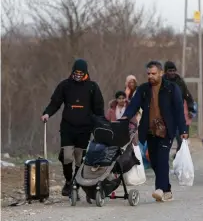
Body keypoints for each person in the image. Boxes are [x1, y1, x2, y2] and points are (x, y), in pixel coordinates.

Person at [120, 60, 187, 202]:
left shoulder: (171, 88)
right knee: (155, 161)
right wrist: (125, 117)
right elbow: (134, 105)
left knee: (162, 159)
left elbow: (179, 110)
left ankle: (160, 189)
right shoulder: (143, 89)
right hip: (150, 130)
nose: (150, 76)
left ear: (161, 73)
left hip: (166, 130)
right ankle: (167, 190)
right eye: (148, 74)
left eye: (153, 73)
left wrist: (183, 129)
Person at [40, 59, 104, 197]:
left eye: (81, 73)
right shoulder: (65, 85)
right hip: (68, 127)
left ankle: (75, 183)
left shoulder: (92, 87)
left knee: (80, 158)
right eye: (76, 72)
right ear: (72, 71)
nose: (78, 75)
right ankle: (69, 181)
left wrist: (101, 124)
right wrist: (47, 113)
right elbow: (55, 102)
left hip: (85, 128)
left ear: (86, 73)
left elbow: (98, 108)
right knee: (67, 156)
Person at [163, 61, 195, 155]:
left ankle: (177, 157)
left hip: (178, 114)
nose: (172, 73)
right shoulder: (161, 82)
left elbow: (187, 96)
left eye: (173, 70)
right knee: (166, 141)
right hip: (165, 115)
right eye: (170, 71)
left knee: (181, 139)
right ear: (166, 72)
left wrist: (190, 108)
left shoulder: (180, 82)